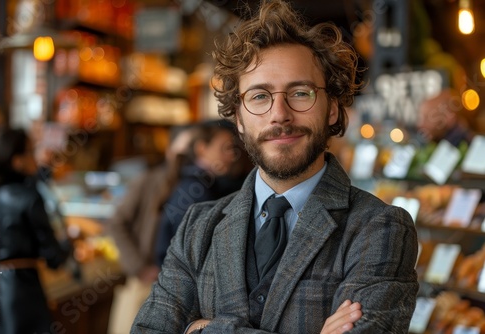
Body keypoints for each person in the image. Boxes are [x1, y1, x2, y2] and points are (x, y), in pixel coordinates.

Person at [132, 1, 418, 333]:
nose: (279, 114)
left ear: (333, 110)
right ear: (238, 118)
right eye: (259, 96)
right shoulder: (198, 226)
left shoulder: (380, 228)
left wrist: (201, 329)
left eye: (300, 93)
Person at [106, 124, 196, 334]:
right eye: (183, 149)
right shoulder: (148, 181)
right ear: (169, 150)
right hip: (146, 284)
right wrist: (139, 266)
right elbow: (117, 223)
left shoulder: (197, 186)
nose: (188, 156)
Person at [0, 126, 71, 334]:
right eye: (31, 151)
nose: (36, 157)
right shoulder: (29, 197)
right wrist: (68, 242)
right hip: (22, 293)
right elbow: (54, 257)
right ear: (17, 160)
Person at [154, 119, 241, 267]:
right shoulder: (196, 192)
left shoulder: (201, 184)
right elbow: (194, 256)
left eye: (232, 149)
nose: (231, 156)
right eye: (224, 149)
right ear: (201, 149)